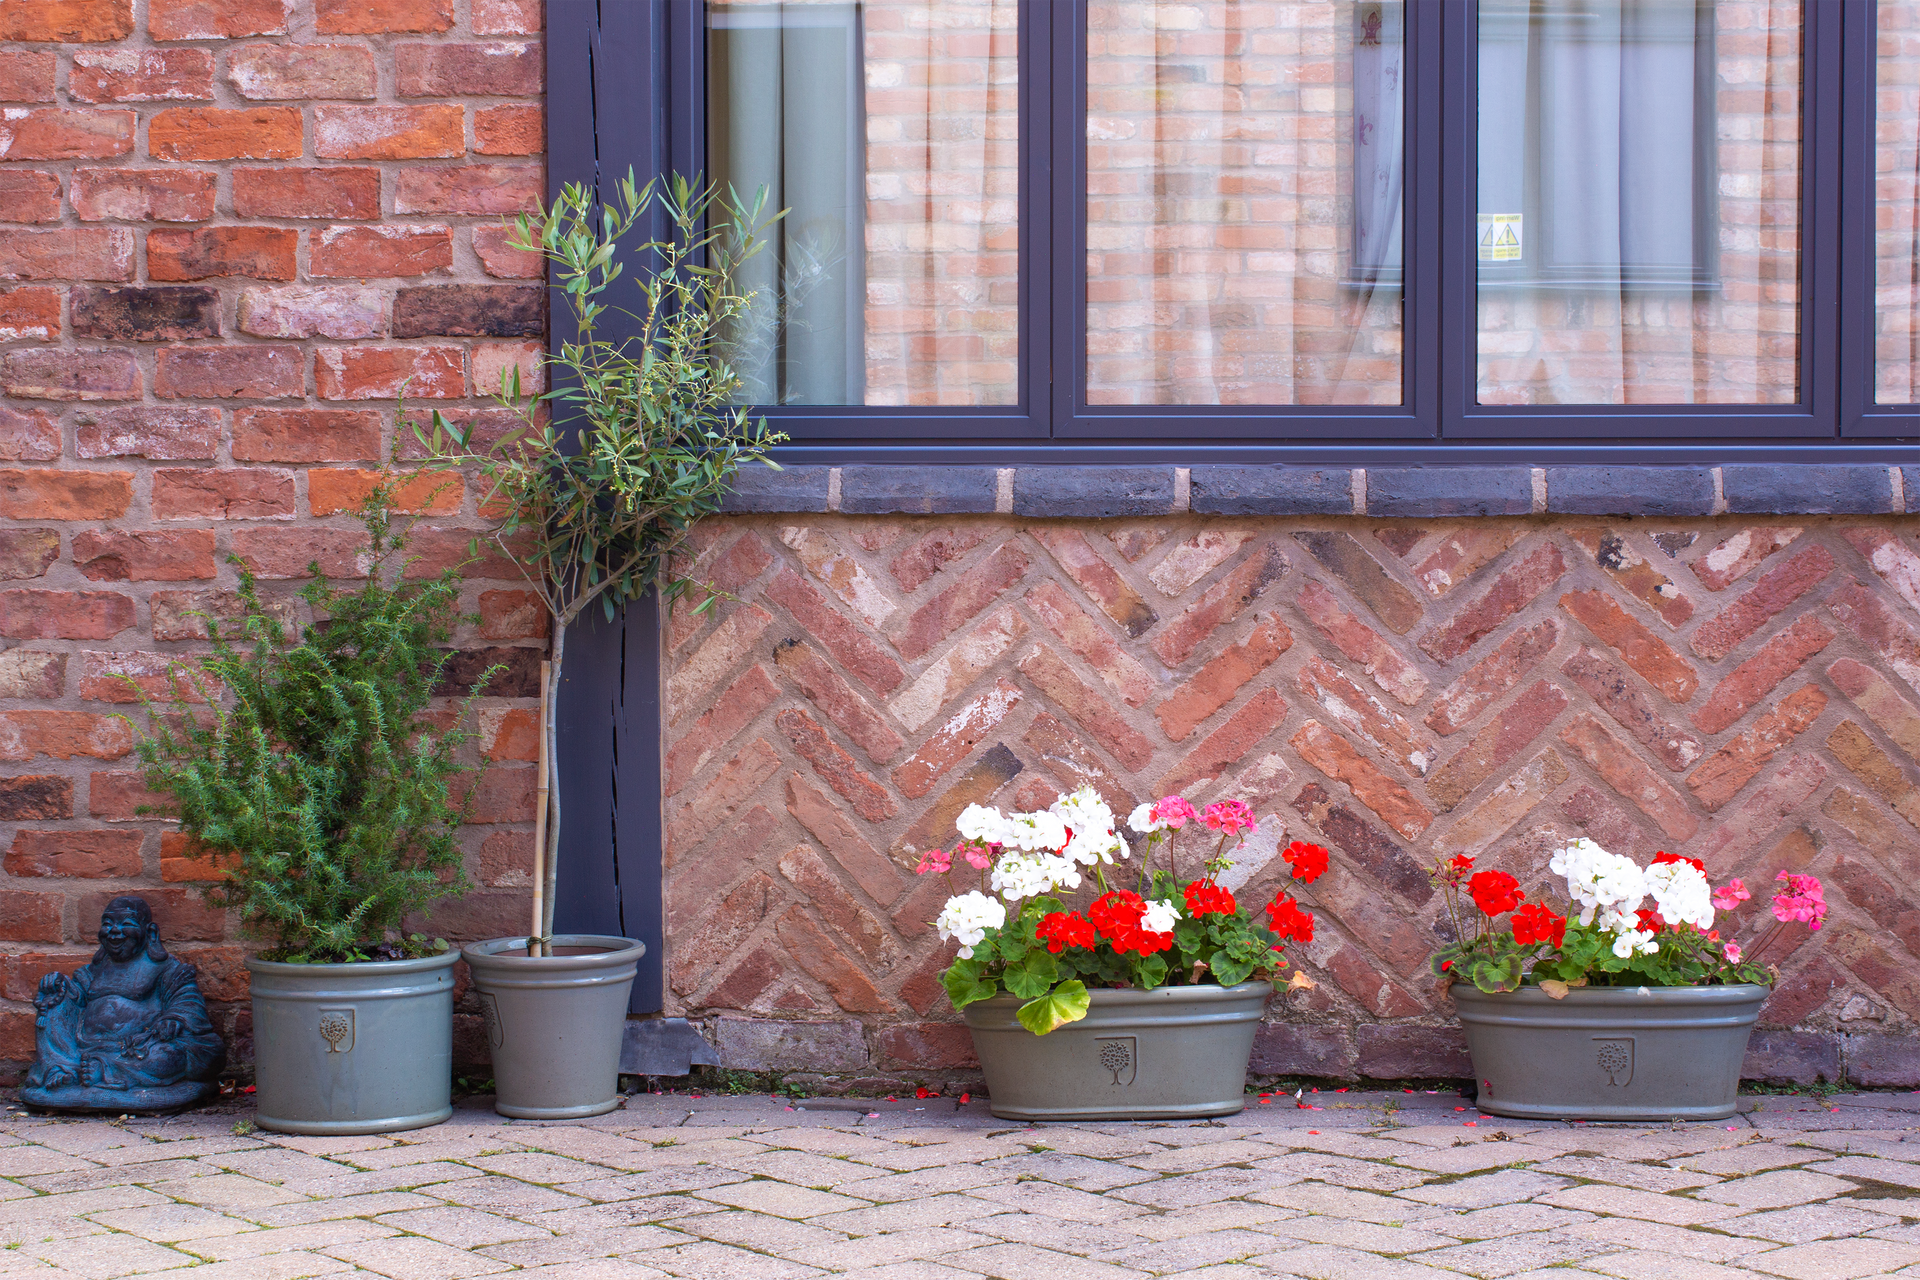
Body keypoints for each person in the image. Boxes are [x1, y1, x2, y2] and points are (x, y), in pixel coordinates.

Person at [23, 897, 225, 1111]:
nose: (115, 931)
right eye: (108, 924)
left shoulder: (167, 970)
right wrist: (57, 985)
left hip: (139, 1048)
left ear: (150, 933)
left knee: (180, 1056)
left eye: (126, 924)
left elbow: (187, 1000)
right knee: (54, 1004)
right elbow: (76, 999)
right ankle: (63, 1067)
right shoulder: (94, 971)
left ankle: (104, 1068)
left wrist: (173, 1019)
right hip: (82, 1047)